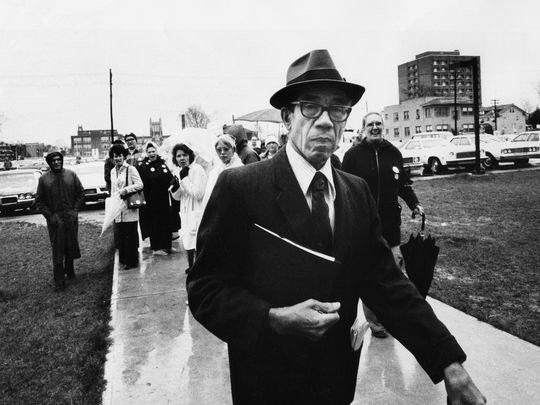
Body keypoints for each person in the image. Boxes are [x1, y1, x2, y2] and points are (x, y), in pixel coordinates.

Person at [187, 49, 486, 405]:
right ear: (287, 117)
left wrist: (449, 364)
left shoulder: (355, 192)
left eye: (338, 109)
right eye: (311, 107)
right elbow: (205, 288)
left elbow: (387, 285)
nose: (326, 121)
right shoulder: (241, 188)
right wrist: (269, 318)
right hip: (267, 382)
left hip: (336, 381)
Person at [342, 111, 424, 339]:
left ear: (383, 126)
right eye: (371, 124)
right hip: (363, 225)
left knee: (395, 271)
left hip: (390, 225)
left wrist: (414, 204)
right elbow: (343, 187)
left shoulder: (394, 153)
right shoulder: (353, 155)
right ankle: (376, 324)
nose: (375, 127)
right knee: (368, 274)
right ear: (363, 128)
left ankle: (394, 318)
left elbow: (404, 184)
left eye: (379, 123)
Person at [36, 151, 84, 291]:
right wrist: (50, 217)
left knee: (70, 244)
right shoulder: (44, 180)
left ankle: (70, 272)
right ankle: (59, 280)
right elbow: (39, 201)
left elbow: (81, 194)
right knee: (57, 249)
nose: (56, 162)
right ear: (49, 163)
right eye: (53, 160)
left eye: (59, 160)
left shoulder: (71, 175)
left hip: (70, 217)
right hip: (56, 220)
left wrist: (74, 210)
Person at [170, 143, 207, 273]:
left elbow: (198, 194)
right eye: (178, 156)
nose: (182, 158)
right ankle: (191, 266)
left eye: (184, 155)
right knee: (187, 238)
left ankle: (199, 268)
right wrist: (176, 187)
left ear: (189, 155)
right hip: (185, 211)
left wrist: (184, 179)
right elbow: (177, 198)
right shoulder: (180, 171)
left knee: (196, 239)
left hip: (196, 210)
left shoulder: (197, 169)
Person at [109, 144, 144, 269]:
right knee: (122, 234)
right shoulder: (113, 171)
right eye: (115, 156)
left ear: (124, 156)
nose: (118, 158)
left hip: (129, 206)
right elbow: (113, 189)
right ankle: (124, 259)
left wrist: (126, 190)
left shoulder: (131, 169)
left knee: (131, 234)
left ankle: (132, 261)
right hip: (118, 207)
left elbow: (140, 185)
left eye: (119, 156)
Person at [137, 142, 175, 256]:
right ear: (146, 153)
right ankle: (157, 248)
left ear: (157, 152)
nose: (152, 154)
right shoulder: (143, 166)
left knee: (166, 222)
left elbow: (169, 178)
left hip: (163, 199)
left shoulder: (163, 164)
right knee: (155, 224)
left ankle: (167, 246)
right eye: (149, 152)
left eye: (153, 151)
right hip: (151, 201)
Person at [201, 134, 243, 210]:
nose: (222, 152)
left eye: (226, 149)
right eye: (219, 150)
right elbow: (208, 196)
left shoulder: (240, 169)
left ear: (233, 150)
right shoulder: (215, 171)